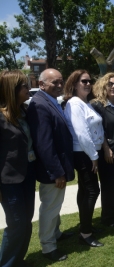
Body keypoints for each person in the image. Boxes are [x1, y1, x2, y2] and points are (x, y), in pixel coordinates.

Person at [27, 68, 74, 262]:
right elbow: (44, 144)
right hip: (52, 170)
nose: (59, 85)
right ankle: (48, 247)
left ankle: (55, 233)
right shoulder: (39, 104)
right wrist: (56, 172)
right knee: (50, 207)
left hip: (58, 167)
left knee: (56, 204)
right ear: (41, 85)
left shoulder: (50, 101)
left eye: (61, 81)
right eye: (54, 82)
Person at [64, 70, 104, 247]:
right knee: (92, 191)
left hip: (89, 152)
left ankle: (85, 226)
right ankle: (85, 233)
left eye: (90, 81)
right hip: (84, 153)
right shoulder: (74, 104)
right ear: (74, 84)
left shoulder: (85, 103)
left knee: (85, 191)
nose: (88, 84)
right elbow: (82, 133)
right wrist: (94, 157)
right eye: (84, 81)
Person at [0, 70, 36, 267]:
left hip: (28, 174)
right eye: (24, 85)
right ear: (11, 90)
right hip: (9, 181)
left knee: (27, 220)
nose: (28, 88)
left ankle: (18, 260)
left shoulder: (24, 112)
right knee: (16, 224)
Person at [91, 73, 114, 228]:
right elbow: (98, 130)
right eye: (110, 84)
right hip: (109, 152)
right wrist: (106, 148)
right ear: (104, 86)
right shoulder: (98, 105)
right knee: (109, 187)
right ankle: (108, 217)